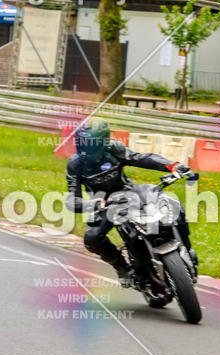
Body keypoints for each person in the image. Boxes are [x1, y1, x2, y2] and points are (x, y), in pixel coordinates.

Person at [65, 120, 197, 286]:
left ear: (103, 142)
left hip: (130, 193)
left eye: (90, 145)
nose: (85, 149)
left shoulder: (114, 149)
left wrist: (172, 166)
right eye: (82, 144)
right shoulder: (75, 165)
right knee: (92, 237)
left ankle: (187, 249)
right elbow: (72, 200)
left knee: (172, 205)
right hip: (104, 204)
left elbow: (141, 158)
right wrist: (92, 204)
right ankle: (123, 268)